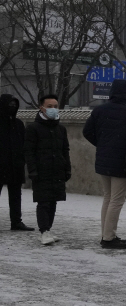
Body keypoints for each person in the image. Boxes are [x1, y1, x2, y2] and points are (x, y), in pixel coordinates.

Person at [82, 78, 126, 248]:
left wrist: (102, 145)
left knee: (108, 197)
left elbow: (87, 131)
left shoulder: (99, 110)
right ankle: (108, 238)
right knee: (117, 199)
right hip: (122, 160)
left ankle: (106, 234)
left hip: (103, 159)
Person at [24, 93, 71, 245]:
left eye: (55, 106)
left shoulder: (61, 129)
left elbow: (65, 150)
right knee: (43, 201)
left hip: (57, 170)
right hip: (41, 171)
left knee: (53, 202)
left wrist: (67, 169)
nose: (53, 109)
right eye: (49, 106)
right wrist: (32, 170)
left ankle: (48, 229)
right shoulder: (33, 128)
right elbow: (29, 152)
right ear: (41, 108)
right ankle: (43, 230)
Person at [0, 94, 33, 231]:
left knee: (15, 195)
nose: (12, 108)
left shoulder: (18, 124)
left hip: (15, 165)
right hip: (1, 165)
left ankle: (16, 221)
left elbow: (24, 144)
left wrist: (22, 159)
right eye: (10, 105)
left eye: (14, 105)